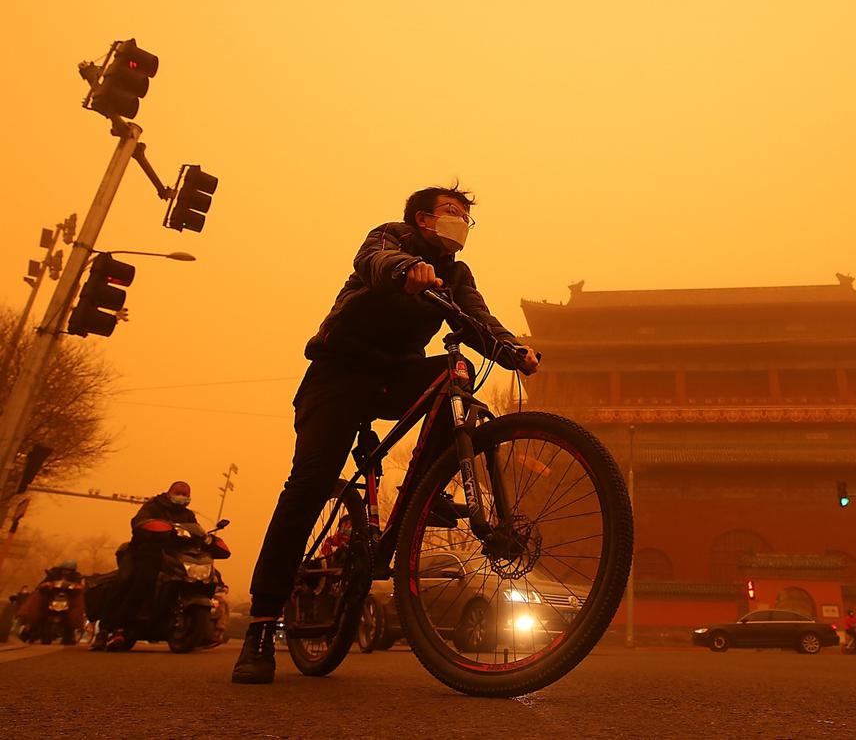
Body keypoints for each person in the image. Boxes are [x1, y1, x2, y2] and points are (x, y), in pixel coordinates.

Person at [232, 184, 539, 685]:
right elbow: (377, 261)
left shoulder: (457, 274)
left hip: (396, 377)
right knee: (308, 486)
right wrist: (405, 271)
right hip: (338, 375)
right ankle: (263, 624)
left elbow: (479, 319)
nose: (461, 223)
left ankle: (427, 492)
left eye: (467, 218)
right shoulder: (388, 238)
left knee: (455, 371)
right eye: (452, 213)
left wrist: (512, 350)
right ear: (423, 219)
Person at [93, 481, 199, 650]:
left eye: (186, 494)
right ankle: (107, 629)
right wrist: (153, 527)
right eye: (178, 492)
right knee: (128, 580)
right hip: (141, 552)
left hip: (170, 557)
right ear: (169, 492)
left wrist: (204, 538)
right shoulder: (154, 506)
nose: (182, 497)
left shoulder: (188, 515)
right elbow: (138, 522)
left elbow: (196, 532)